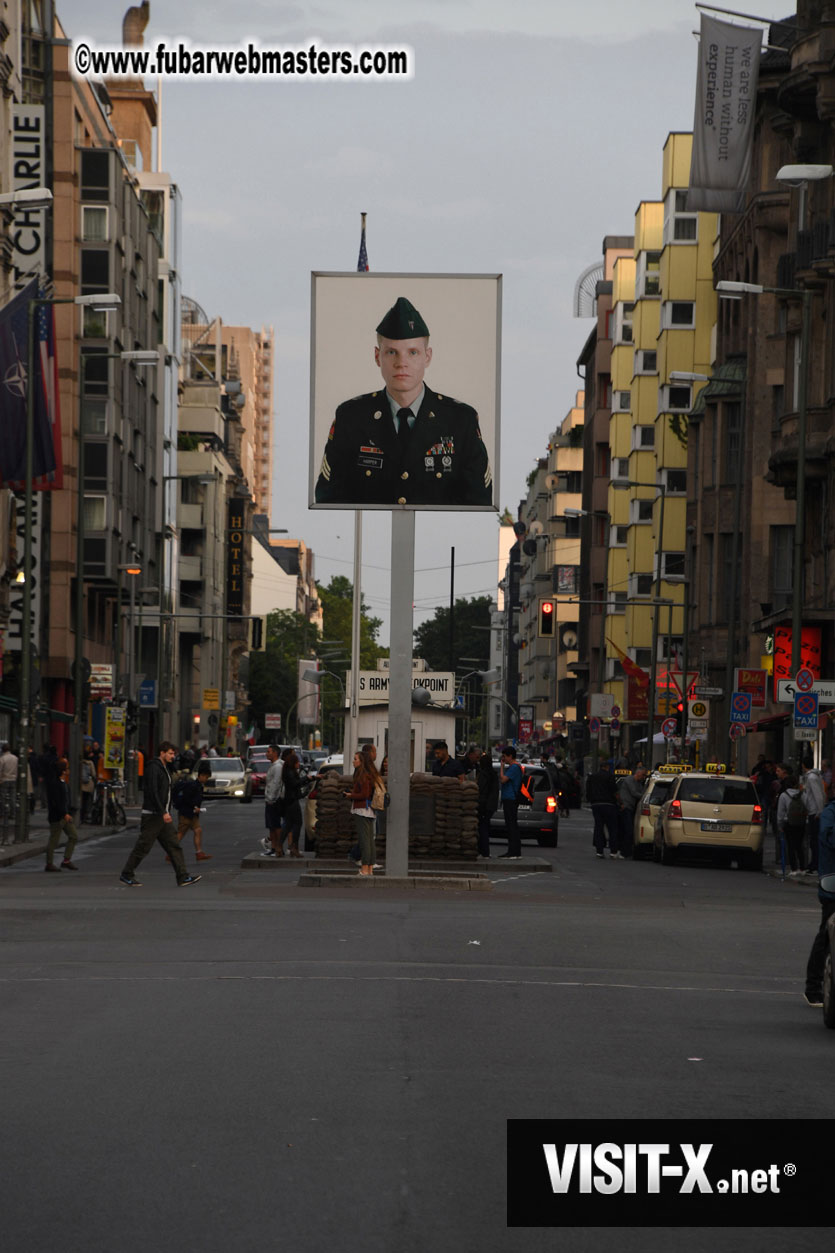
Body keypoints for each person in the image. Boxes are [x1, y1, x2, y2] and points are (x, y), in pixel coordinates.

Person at [314, 296, 492, 508]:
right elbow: (329, 501)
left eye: (412, 352)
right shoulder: (351, 418)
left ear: (427, 357)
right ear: (377, 356)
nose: (401, 363)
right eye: (392, 352)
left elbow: (478, 503)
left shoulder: (460, 420)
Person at [119, 742, 201, 888]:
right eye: (170, 753)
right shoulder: (153, 768)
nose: (172, 756)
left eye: (173, 754)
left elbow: (168, 790)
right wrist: (163, 811)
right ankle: (127, 874)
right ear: (162, 753)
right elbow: (153, 792)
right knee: (143, 846)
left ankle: (183, 877)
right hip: (153, 815)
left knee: (174, 845)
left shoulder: (165, 768)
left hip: (162, 816)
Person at [804, 789, 835, 1007]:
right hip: (832, 887)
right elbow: (830, 839)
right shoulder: (830, 813)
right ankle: (813, 988)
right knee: (826, 936)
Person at [345, 750, 380, 876]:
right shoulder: (368, 775)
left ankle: (365, 869)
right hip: (368, 810)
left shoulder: (363, 776)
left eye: (355, 759)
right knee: (369, 840)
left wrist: (351, 795)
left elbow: (364, 794)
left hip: (362, 810)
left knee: (365, 840)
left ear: (362, 761)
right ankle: (369, 868)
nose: (353, 761)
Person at [44, 757, 79, 872]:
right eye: (67, 768)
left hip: (65, 815)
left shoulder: (64, 783)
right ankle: (49, 863)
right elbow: (56, 802)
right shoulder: (55, 784)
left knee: (73, 836)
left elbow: (65, 800)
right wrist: (64, 813)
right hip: (57, 817)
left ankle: (66, 860)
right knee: (54, 841)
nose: (69, 770)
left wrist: (69, 811)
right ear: (63, 771)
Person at [173, 761, 213, 861]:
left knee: (198, 831)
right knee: (180, 833)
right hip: (186, 813)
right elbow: (186, 799)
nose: (206, 779)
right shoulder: (193, 785)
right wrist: (195, 807)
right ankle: (171, 852)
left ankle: (199, 853)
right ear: (201, 775)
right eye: (206, 777)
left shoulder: (199, 786)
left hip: (193, 814)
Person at [585, 760, 620, 859]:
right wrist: (620, 802)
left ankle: (599, 851)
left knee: (598, 827)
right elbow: (614, 791)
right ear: (607, 767)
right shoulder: (610, 776)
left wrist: (591, 800)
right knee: (612, 828)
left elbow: (588, 790)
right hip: (609, 804)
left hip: (596, 804)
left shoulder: (592, 777)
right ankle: (613, 851)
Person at [777, 774, 806, 876]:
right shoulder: (802, 794)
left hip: (788, 823)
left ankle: (794, 869)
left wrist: (780, 825)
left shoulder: (784, 795)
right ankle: (802, 868)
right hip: (801, 822)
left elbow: (780, 812)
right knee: (799, 845)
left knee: (791, 846)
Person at [616, 765, 647, 859]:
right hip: (625, 807)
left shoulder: (639, 783)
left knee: (628, 829)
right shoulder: (629, 780)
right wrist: (645, 797)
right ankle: (623, 851)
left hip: (631, 808)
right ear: (638, 773)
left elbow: (641, 792)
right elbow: (634, 793)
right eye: (643, 775)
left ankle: (625, 850)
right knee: (627, 829)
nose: (644, 777)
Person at [279, 749, 306, 858]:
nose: (299, 764)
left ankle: (279, 846)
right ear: (293, 763)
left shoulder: (287, 771)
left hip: (289, 801)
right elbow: (295, 784)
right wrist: (307, 778)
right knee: (297, 823)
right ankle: (294, 847)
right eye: (297, 762)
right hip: (292, 801)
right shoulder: (290, 773)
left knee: (288, 824)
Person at [801, 761, 826, 874]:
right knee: (814, 839)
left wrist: (819, 811)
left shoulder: (811, 778)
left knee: (814, 840)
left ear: (803, 765)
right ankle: (815, 863)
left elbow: (818, 795)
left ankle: (815, 864)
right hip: (814, 810)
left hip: (814, 811)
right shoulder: (816, 776)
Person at [498, 746, 523, 859]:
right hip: (510, 798)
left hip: (510, 799)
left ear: (510, 756)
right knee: (511, 825)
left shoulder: (514, 768)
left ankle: (513, 851)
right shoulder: (515, 767)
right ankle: (514, 851)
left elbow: (503, 779)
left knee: (511, 826)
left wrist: (501, 767)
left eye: (504, 756)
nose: (503, 759)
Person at [261, 743, 285, 856]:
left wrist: (271, 798)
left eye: (268, 752)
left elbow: (276, 783)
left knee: (275, 825)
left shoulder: (278, 767)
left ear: (275, 753)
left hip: (274, 800)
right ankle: (274, 848)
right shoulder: (274, 765)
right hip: (270, 799)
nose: (266, 754)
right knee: (271, 826)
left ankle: (279, 848)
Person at [476, 750, 499, 858]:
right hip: (491, 805)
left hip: (484, 805)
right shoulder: (493, 774)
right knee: (485, 827)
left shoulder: (484, 774)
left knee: (482, 828)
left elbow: (481, 789)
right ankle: (484, 851)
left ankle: (484, 851)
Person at [0, 742, 18, 822]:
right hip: (13, 779)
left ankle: (3, 813)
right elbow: (17, 769)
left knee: (3, 797)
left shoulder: (2, 759)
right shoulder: (15, 758)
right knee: (13, 797)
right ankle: (13, 814)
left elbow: (0, 770)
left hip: (4, 779)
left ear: (3, 750)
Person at [79, 750, 96, 822]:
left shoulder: (80, 762)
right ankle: (85, 816)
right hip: (88, 785)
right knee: (87, 801)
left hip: (80, 784)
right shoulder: (90, 763)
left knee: (81, 800)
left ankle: (80, 815)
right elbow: (93, 774)